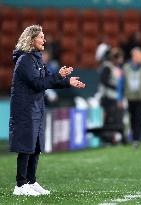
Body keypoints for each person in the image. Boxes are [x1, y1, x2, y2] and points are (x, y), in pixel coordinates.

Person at [9, 25, 86, 196]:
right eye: (41, 37)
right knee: (26, 146)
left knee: (36, 146)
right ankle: (20, 185)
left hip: (36, 108)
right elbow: (39, 84)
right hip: (25, 110)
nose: (44, 40)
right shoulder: (24, 60)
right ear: (31, 39)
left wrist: (66, 81)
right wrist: (57, 77)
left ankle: (31, 181)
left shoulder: (37, 59)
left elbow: (48, 80)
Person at [117, 47, 141, 148]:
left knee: (139, 118)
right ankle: (134, 138)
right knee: (131, 118)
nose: (140, 58)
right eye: (138, 56)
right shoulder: (125, 68)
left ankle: (137, 139)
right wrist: (119, 98)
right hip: (130, 98)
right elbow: (120, 84)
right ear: (133, 56)